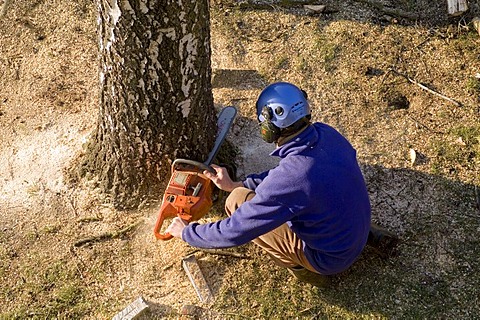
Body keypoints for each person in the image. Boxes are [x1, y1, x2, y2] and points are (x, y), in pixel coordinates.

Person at [166, 82, 398, 287]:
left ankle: (309, 274)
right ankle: (368, 234)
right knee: (322, 191)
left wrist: (187, 233)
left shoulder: (292, 178)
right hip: (356, 227)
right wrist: (238, 182)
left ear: (268, 126)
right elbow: (284, 178)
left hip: (331, 258)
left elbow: (235, 231)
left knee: (236, 200)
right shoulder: (328, 134)